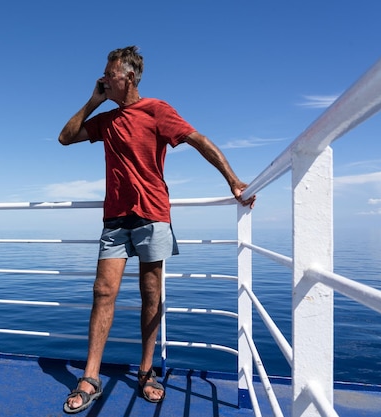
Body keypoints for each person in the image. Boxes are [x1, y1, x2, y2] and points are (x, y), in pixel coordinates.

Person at [58, 46, 256, 414]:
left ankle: (147, 372)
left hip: (152, 214)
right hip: (115, 218)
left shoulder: (157, 110)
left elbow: (198, 140)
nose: (102, 78)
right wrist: (92, 100)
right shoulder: (106, 120)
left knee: (151, 293)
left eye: (108, 74)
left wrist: (233, 180)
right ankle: (90, 376)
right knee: (103, 292)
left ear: (129, 77)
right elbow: (65, 137)